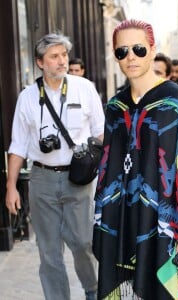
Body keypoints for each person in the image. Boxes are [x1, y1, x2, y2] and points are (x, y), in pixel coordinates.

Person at [93, 19, 178, 299]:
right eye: (122, 51)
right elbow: (108, 171)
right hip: (128, 222)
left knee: (174, 294)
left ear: (153, 50)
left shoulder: (175, 102)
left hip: (173, 227)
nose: (130, 57)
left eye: (139, 49)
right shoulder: (115, 108)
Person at [5, 33, 105, 300]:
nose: (62, 61)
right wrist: (11, 187)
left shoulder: (84, 88)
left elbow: (102, 132)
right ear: (40, 62)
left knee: (83, 243)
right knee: (48, 251)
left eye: (64, 55)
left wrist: (97, 162)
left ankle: (93, 290)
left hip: (79, 179)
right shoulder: (27, 97)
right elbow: (17, 146)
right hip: (41, 179)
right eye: (54, 57)